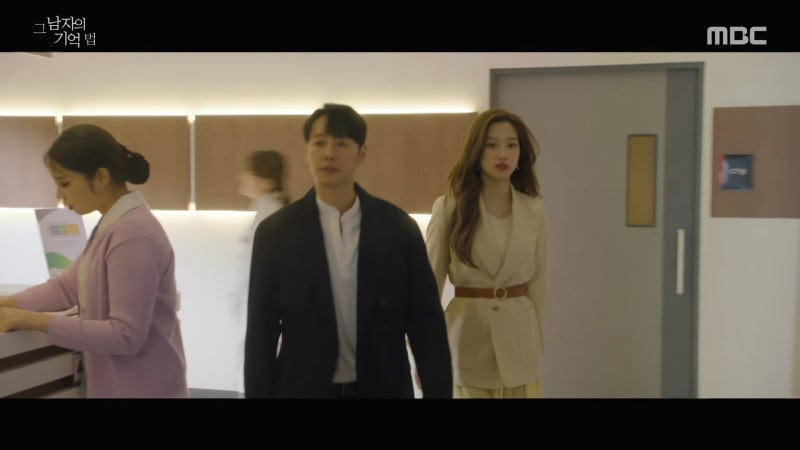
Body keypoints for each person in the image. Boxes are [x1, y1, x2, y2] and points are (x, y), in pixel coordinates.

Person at [244, 103, 452, 398]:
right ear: (307, 151)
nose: (329, 153)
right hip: (302, 389)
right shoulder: (276, 233)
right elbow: (261, 333)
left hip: (383, 389)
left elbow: (426, 324)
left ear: (362, 152)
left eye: (341, 143)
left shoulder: (398, 229)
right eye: (319, 143)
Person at [0, 124, 189, 398]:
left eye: (65, 183)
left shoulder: (134, 234)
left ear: (101, 177)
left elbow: (125, 336)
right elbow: (66, 287)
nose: (60, 194)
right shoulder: (115, 224)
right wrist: (9, 304)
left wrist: (37, 321)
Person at [425, 107, 549, 398]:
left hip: (521, 348)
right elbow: (429, 288)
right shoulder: (449, 208)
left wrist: (537, 342)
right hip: (467, 346)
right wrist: (426, 352)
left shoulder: (535, 210)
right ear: (476, 151)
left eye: (511, 145)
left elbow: (540, 283)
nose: (502, 154)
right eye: (491, 145)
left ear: (521, 152)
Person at [231, 149, 289, 395]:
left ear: (267, 181)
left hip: (264, 320)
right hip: (253, 316)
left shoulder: (271, 218)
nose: (242, 176)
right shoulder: (264, 213)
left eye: (250, 172)